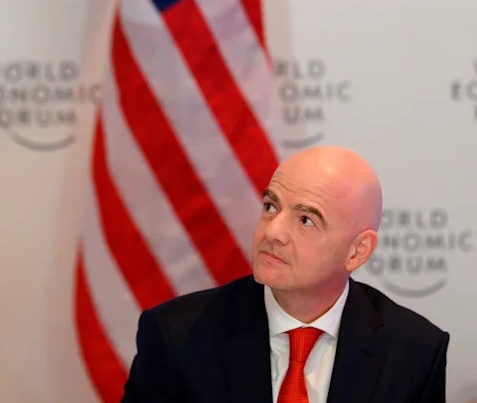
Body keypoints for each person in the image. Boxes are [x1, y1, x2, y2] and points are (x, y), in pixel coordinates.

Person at [121, 145, 448, 403]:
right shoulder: (176, 336)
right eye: (271, 207)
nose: (273, 231)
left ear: (357, 251)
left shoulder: (414, 350)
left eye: (306, 219)